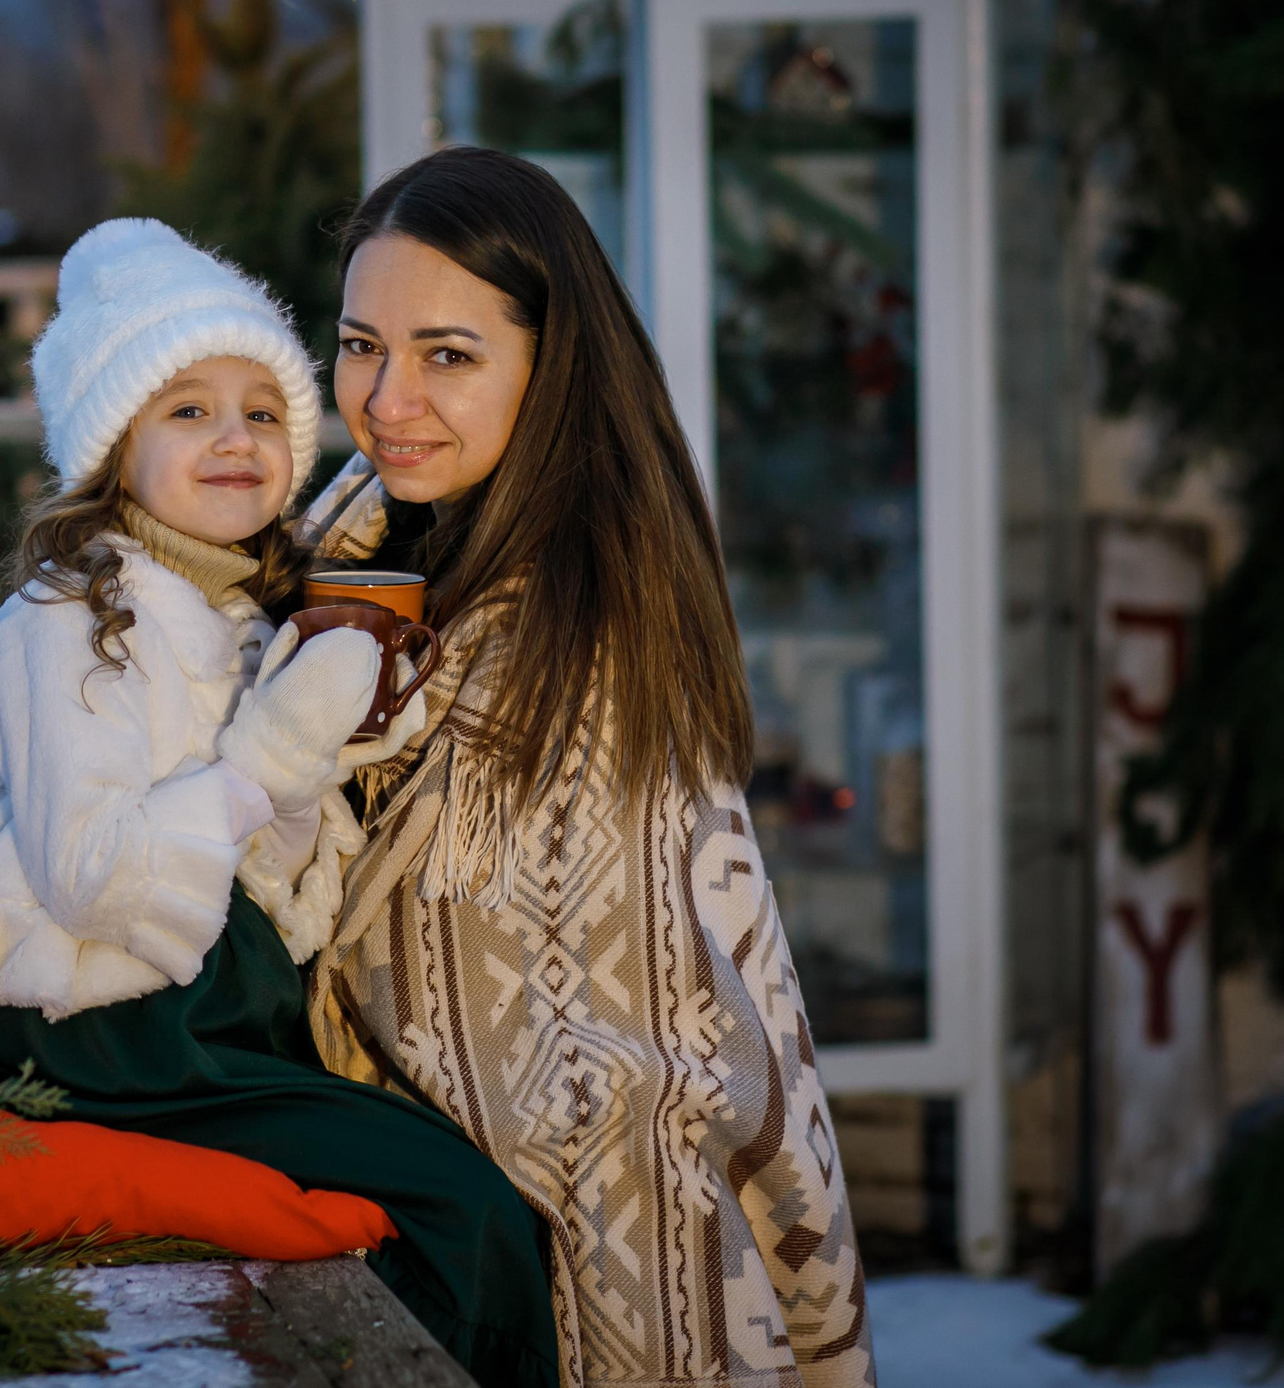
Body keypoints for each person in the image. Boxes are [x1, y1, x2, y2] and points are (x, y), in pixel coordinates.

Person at [0, 218, 558, 1388]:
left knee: (451, 1191)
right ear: (112, 445)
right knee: (459, 1204)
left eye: (263, 411)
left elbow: (267, 884)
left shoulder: (241, 613)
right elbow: (91, 877)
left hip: (192, 1019)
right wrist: (258, 764)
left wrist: (319, 763)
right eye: (187, 410)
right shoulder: (65, 620)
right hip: (86, 1026)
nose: (235, 439)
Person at [299, 148, 877, 1388]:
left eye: (447, 355)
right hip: (449, 1236)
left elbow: (602, 1049)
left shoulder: (578, 627)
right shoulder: (361, 553)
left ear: (549, 367)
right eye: (360, 346)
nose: (388, 397)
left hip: (601, 1263)